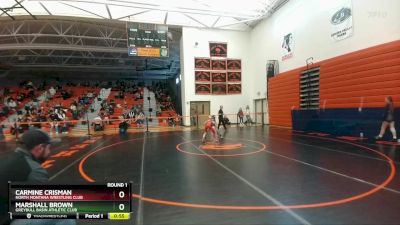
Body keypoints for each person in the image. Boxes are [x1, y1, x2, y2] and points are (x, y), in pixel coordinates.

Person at [0, 129, 76, 225]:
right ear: (40, 148)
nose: (49, 152)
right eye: (48, 148)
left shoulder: (6, 158)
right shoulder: (34, 170)